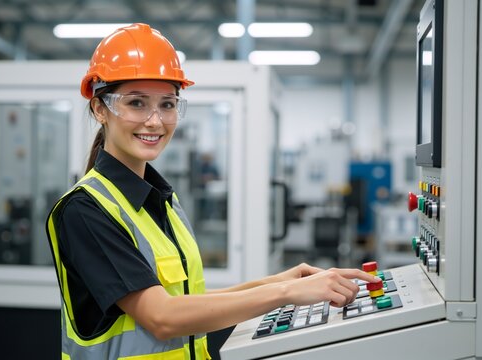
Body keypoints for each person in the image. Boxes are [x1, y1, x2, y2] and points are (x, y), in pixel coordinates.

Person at [45, 23, 381, 360]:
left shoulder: (161, 200)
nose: (155, 121)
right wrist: (287, 292)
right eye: (136, 103)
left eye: (167, 104)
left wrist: (279, 281)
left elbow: (188, 300)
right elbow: (161, 317)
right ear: (100, 109)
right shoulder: (86, 210)